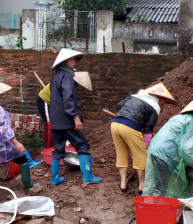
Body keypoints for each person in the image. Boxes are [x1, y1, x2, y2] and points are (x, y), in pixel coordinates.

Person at [143, 97, 193, 199]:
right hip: (166, 154)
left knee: (159, 182)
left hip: (156, 150)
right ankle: (158, 209)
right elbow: (186, 148)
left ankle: (154, 204)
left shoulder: (179, 117)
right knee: (162, 185)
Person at [111, 83, 176, 193]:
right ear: (160, 98)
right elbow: (148, 128)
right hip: (130, 127)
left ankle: (123, 183)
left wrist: (129, 115)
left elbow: (119, 105)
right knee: (140, 155)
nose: (164, 103)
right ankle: (142, 185)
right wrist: (146, 146)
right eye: (164, 101)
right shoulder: (155, 106)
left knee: (121, 154)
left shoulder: (135, 96)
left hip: (115, 124)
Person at [48, 49, 100, 186]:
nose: (73, 61)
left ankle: (54, 179)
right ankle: (88, 175)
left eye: (74, 59)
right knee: (82, 145)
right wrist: (75, 117)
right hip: (67, 119)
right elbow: (68, 98)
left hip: (55, 120)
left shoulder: (56, 76)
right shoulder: (67, 76)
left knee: (58, 149)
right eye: (70, 59)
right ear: (64, 61)